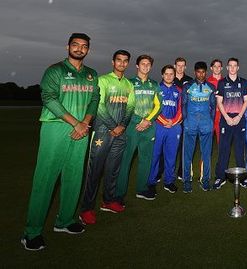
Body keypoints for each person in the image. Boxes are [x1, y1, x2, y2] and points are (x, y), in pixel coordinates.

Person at [21, 33, 99, 251]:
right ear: (68, 47)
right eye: (75, 45)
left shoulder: (91, 74)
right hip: (55, 128)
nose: (79, 49)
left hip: (82, 130)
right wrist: (76, 123)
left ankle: (65, 221)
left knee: (74, 176)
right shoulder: (55, 70)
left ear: (88, 50)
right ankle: (32, 232)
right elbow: (48, 98)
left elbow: (95, 99)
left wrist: (85, 122)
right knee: (45, 179)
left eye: (84, 46)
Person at [80, 50, 135, 225]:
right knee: (94, 171)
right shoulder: (103, 80)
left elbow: (130, 107)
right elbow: (99, 106)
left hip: (120, 134)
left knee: (113, 170)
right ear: (113, 62)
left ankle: (108, 201)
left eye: (125, 61)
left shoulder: (128, 84)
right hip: (103, 132)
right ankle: (86, 209)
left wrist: (122, 126)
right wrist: (113, 126)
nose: (122, 64)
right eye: (119, 60)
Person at [115, 55, 161, 202]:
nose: (146, 66)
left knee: (146, 159)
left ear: (151, 67)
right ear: (137, 66)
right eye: (143, 64)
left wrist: (147, 120)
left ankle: (141, 189)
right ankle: (119, 193)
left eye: (148, 64)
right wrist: (138, 120)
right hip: (131, 127)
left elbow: (159, 105)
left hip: (148, 127)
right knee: (125, 160)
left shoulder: (154, 84)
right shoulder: (129, 83)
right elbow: (125, 106)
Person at [213, 58, 247, 190]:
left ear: (238, 68)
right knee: (224, 149)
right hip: (226, 119)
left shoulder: (244, 82)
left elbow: (246, 101)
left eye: (235, 66)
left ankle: (242, 178)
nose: (233, 68)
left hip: (240, 119)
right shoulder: (222, 83)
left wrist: (239, 116)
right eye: (230, 66)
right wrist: (227, 117)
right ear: (227, 68)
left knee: (240, 150)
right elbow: (219, 102)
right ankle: (220, 177)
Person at [182, 61, 216, 192]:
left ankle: (205, 180)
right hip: (190, 123)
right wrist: (186, 120)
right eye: (198, 72)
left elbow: (213, 106)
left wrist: (210, 121)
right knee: (188, 154)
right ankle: (187, 181)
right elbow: (183, 104)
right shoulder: (188, 86)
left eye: (203, 72)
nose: (201, 74)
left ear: (206, 72)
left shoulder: (211, 87)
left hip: (206, 124)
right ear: (195, 72)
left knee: (206, 153)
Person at [148, 65, 183, 194]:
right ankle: (151, 182)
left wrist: (173, 122)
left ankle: (169, 181)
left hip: (174, 127)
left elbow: (181, 109)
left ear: (174, 76)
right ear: (162, 75)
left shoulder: (178, 90)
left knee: (171, 156)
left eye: (171, 74)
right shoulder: (156, 89)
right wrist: (164, 121)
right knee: (155, 155)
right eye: (166, 74)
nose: (169, 76)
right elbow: (153, 108)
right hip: (158, 126)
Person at [173, 57, 193, 180]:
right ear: (175, 66)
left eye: (182, 66)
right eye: (178, 65)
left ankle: (182, 172)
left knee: (185, 147)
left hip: (185, 119)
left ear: (185, 67)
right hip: (171, 119)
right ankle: (162, 171)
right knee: (170, 147)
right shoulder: (169, 78)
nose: (180, 68)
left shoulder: (190, 81)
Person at [207, 59, 223, 144]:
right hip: (209, 114)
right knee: (206, 139)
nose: (217, 68)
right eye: (215, 66)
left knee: (221, 140)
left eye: (219, 66)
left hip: (221, 115)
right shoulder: (206, 82)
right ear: (211, 68)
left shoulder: (225, 82)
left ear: (222, 68)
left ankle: (222, 157)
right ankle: (204, 157)